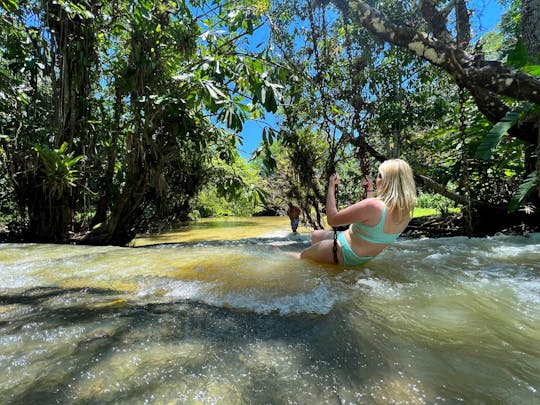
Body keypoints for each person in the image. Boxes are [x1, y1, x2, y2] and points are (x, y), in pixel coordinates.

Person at [299, 159, 416, 266]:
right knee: (316, 235)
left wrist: (331, 189)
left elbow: (333, 220)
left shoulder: (373, 205)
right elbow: (371, 223)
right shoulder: (405, 214)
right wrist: (369, 190)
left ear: (386, 181)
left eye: (379, 175)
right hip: (362, 256)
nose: (376, 179)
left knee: (301, 257)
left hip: (343, 250)